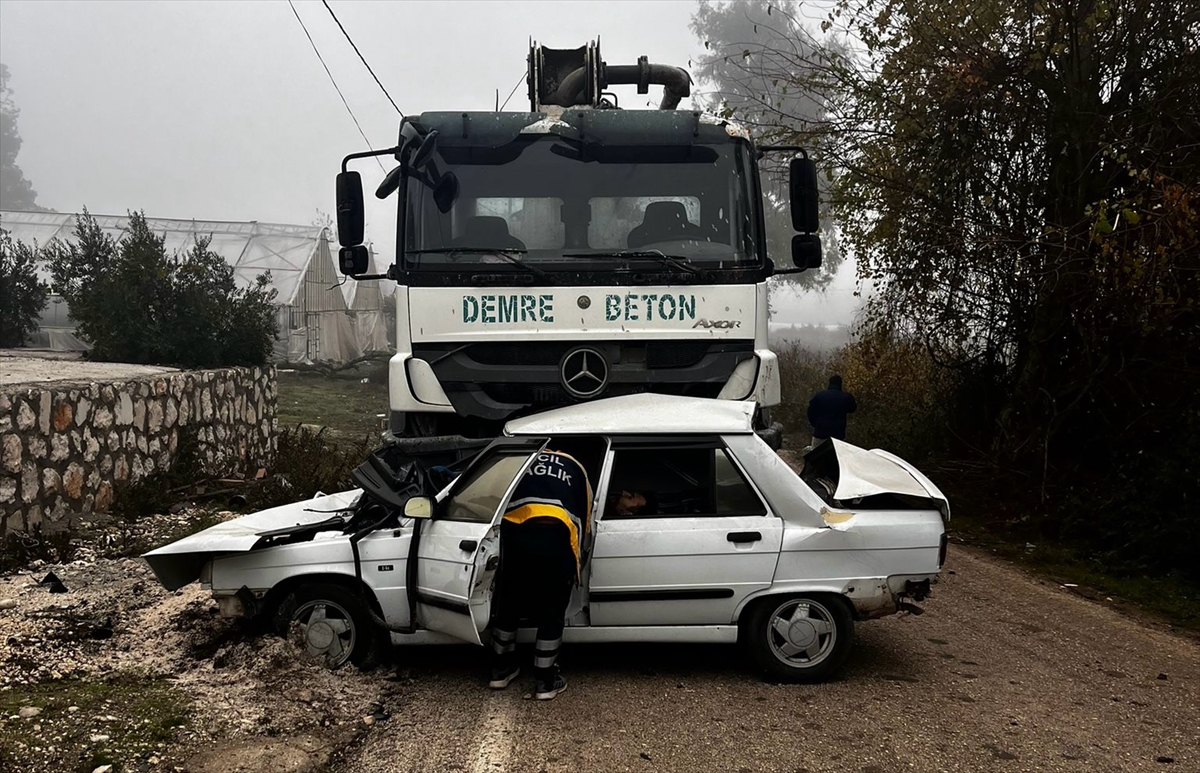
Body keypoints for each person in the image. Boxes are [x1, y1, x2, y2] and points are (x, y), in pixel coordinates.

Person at [488, 448, 592, 700]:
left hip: (515, 540)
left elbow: (490, 498)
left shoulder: (517, 459)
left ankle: (501, 670)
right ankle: (545, 681)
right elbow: (586, 511)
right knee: (552, 612)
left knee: (508, 605)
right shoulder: (574, 463)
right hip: (556, 542)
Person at [807, 374, 857, 445]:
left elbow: (810, 411)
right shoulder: (846, 397)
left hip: (820, 432)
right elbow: (852, 409)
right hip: (838, 435)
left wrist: (815, 424)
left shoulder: (819, 396)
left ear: (829, 383)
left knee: (817, 455)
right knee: (835, 455)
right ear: (840, 384)